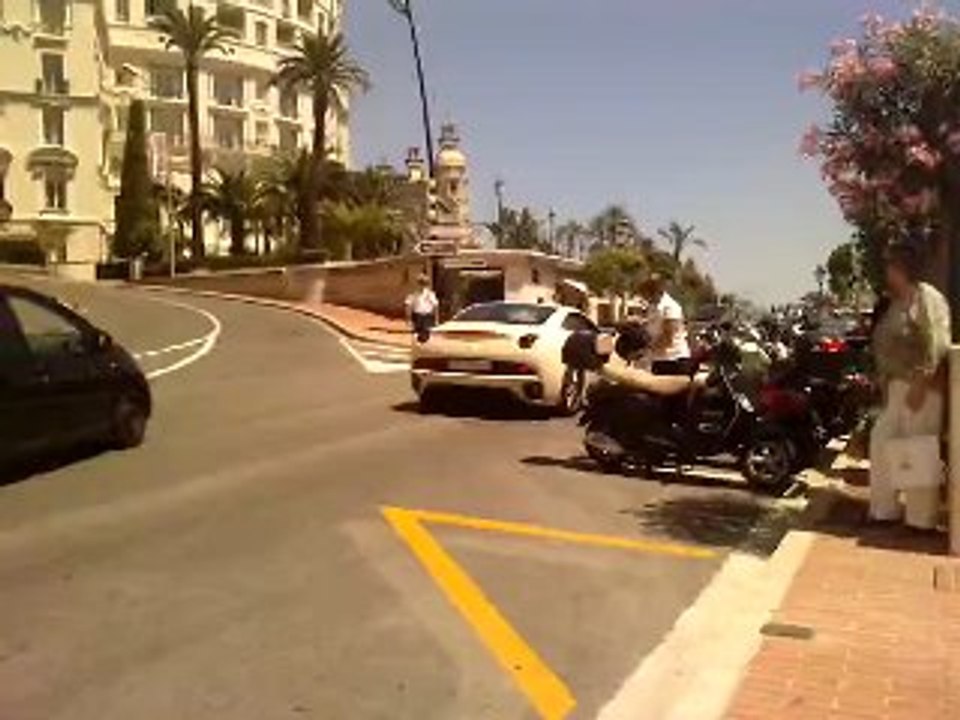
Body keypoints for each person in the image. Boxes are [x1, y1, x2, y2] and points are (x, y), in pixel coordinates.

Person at [869, 243, 950, 531]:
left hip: (921, 388)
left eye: (891, 265)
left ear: (903, 267)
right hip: (897, 387)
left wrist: (921, 382)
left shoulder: (927, 298)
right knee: (881, 443)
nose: (887, 271)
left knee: (918, 449)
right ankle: (883, 512)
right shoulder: (896, 301)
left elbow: (937, 342)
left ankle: (920, 520)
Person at [641, 274, 693, 376]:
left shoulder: (670, 307)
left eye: (646, 292)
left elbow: (667, 339)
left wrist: (645, 349)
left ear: (655, 291)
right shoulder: (652, 307)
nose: (644, 296)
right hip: (659, 360)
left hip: (674, 361)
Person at [405, 272, 439, 342]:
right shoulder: (414, 294)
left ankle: (423, 347)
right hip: (417, 316)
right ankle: (417, 348)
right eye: (421, 284)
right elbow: (408, 306)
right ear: (418, 284)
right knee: (416, 335)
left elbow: (436, 306)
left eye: (424, 284)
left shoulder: (430, 294)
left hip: (427, 317)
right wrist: (408, 319)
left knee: (425, 336)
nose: (422, 286)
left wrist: (436, 319)